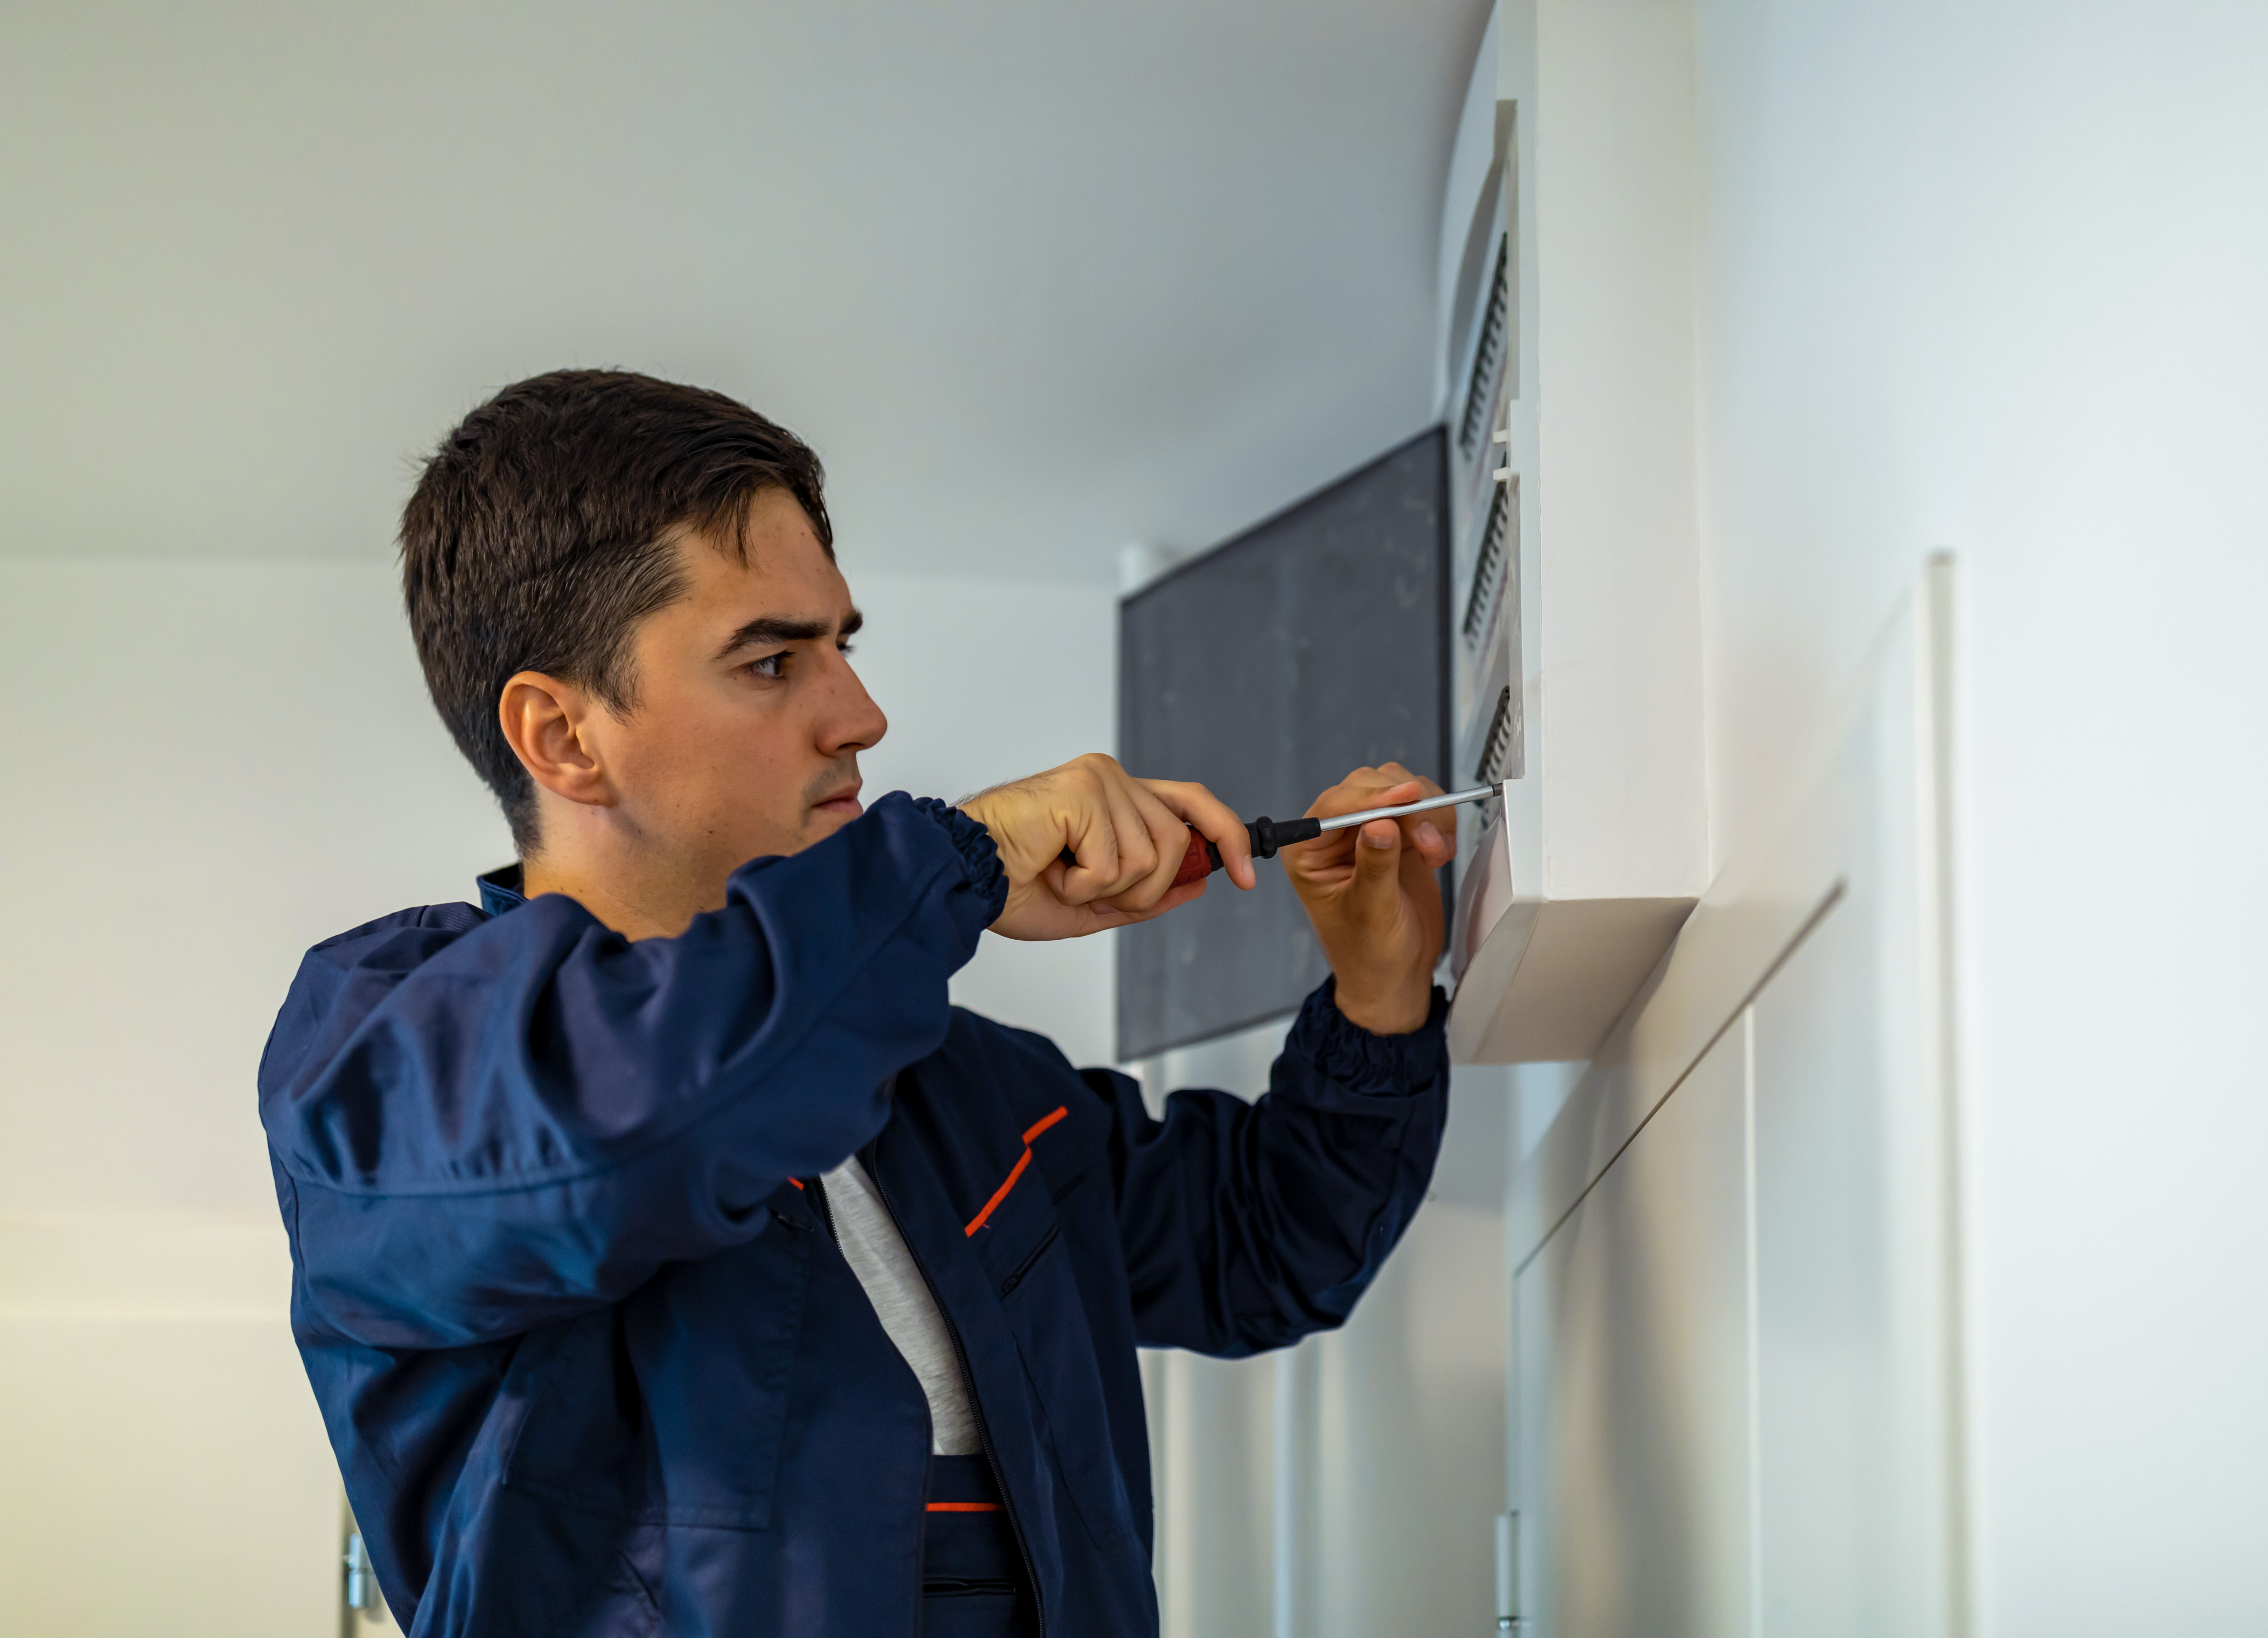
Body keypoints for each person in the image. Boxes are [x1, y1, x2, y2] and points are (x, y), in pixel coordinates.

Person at [257, 369, 1456, 1638]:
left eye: (843, 644)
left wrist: (1380, 985)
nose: (863, 716)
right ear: (562, 738)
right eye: (772, 660)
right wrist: (962, 859)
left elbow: (1261, 1248)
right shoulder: (386, 1063)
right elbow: (641, 1123)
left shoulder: (955, 1084)